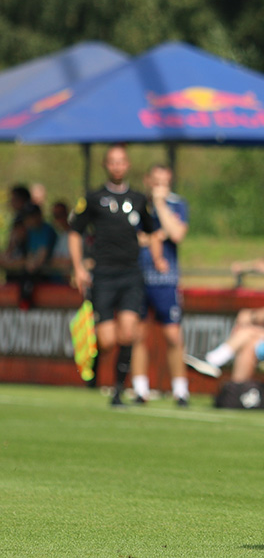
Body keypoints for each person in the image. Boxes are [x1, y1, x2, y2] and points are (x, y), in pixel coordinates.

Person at [68, 144, 158, 407]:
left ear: (128, 165)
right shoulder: (94, 198)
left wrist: (158, 257)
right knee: (107, 340)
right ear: (106, 166)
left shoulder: (140, 199)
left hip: (131, 274)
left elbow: (152, 231)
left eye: (121, 162)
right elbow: (75, 231)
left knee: (128, 333)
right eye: (112, 162)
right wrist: (78, 267)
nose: (117, 166)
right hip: (104, 275)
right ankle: (96, 364)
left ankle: (118, 389)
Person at [185, 256, 264, 394]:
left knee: (252, 331)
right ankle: (236, 391)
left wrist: (253, 317)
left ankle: (214, 360)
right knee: (249, 341)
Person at [131, 164, 191, 407]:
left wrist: (160, 206)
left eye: (164, 182)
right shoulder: (136, 204)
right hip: (139, 278)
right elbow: (134, 238)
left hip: (165, 282)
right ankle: (139, 389)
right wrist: (155, 236)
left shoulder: (176, 204)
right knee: (138, 335)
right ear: (147, 180)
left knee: (173, 336)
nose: (159, 187)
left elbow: (176, 233)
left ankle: (180, 390)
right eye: (155, 182)